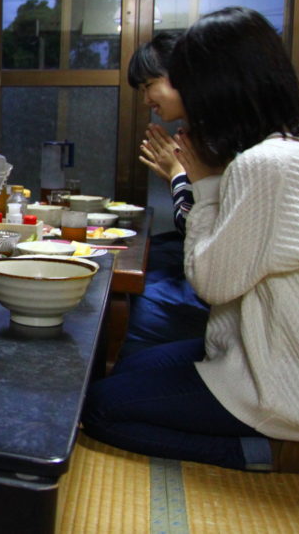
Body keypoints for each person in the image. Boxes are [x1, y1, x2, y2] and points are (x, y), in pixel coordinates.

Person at [82, 7, 299, 472]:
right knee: (131, 368)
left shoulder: (265, 165)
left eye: (185, 78)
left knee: (99, 409)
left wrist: (198, 181)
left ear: (218, 83)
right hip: (247, 347)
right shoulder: (285, 148)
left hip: (281, 379)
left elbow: (210, 284)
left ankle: (274, 451)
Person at [119, 31, 210, 358]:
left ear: (184, 75)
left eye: (148, 86)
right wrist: (179, 176)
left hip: (213, 279)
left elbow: (198, 226)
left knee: (137, 293)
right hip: (201, 260)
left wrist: (177, 176)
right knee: (146, 254)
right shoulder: (196, 128)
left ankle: (124, 369)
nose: (146, 100)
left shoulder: (221, 132)